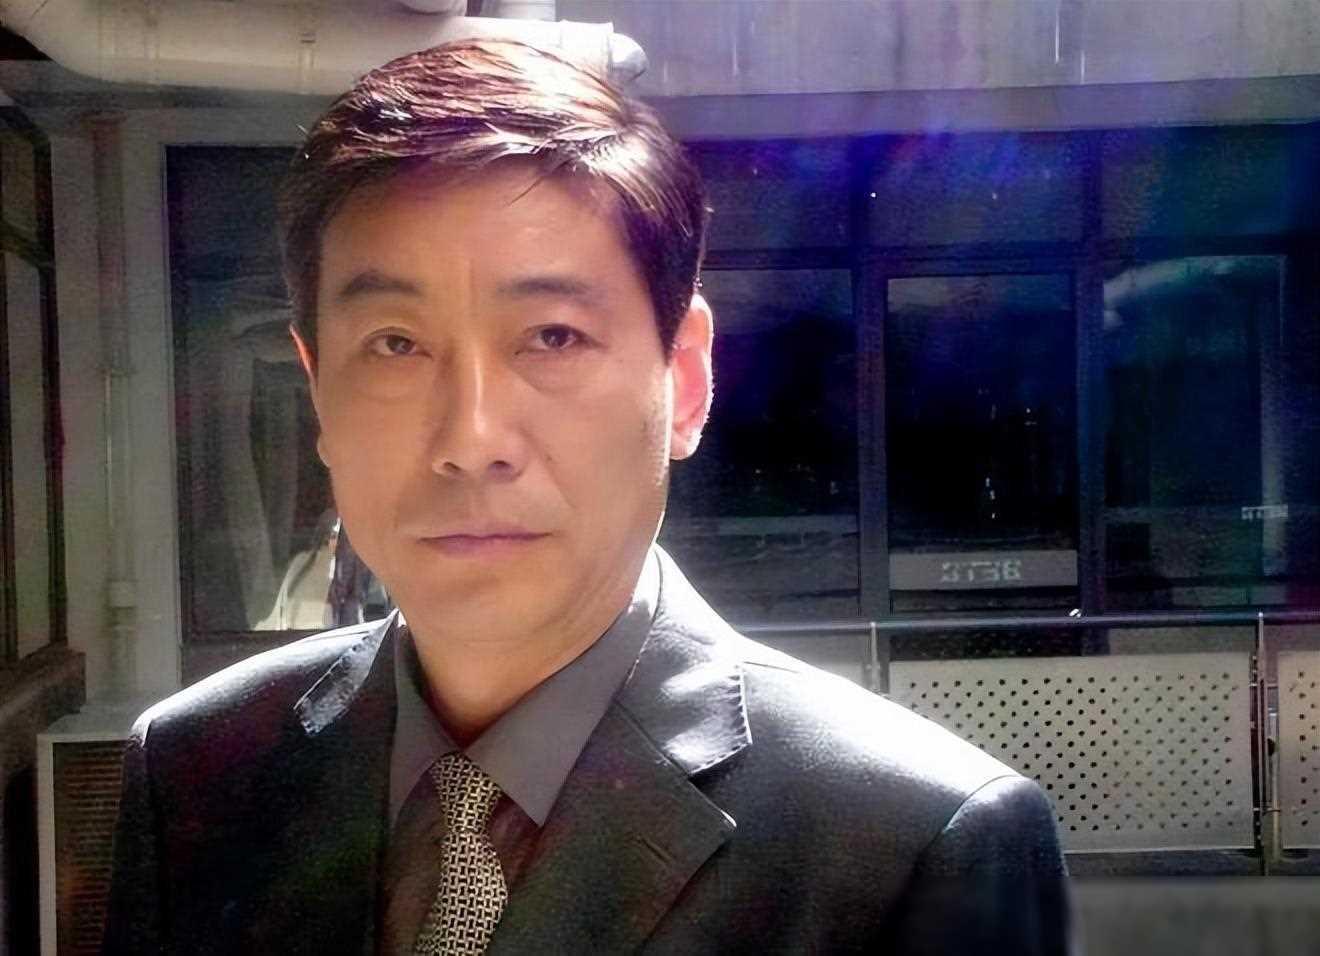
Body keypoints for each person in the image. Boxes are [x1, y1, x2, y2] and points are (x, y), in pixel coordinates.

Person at [102, 38, 1075, 955]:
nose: (471, 441)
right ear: (318, 389)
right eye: (395, 344)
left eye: (553, 337)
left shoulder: (912, 842)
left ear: (684, 380)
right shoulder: (194, 769)